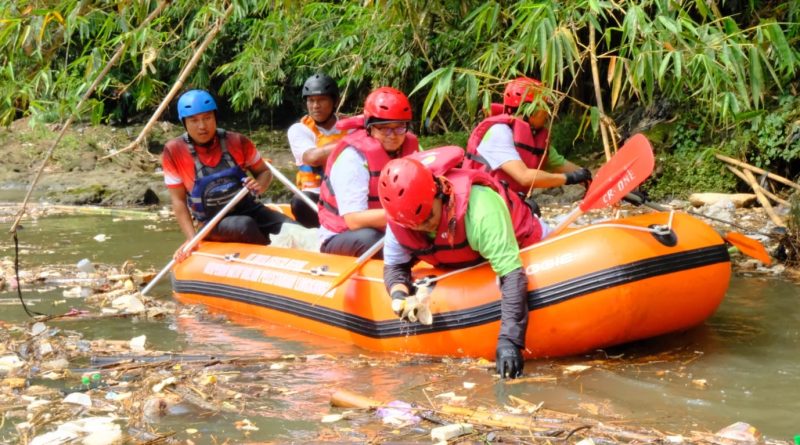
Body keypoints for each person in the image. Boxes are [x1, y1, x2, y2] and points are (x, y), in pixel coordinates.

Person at [378, 151, 548, 379]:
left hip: (522, 239)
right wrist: (398, 296)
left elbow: (512, 275)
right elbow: (395, 268)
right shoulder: (402, 219)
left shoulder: (479, 210)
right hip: (461, 259)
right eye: (413, 226)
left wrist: (510, 341)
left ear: (441, 193)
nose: (424, 227)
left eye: (428, 217)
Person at [162, 89, 294, 262]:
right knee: (244, 225)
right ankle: (275, 258)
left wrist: (260, 185)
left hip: (249, 208)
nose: (202, 126)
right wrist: (192, 238)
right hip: (212, 223)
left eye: (207, 118)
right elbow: (178, 201)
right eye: (194, 120)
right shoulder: (173, 151)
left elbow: (264, 172)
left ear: (215, 117)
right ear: (184, 123)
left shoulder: (237, 141)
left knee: (292, 229)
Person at [317, 86, 419, 257]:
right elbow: (354, 220)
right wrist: (408, 216)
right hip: (343, 234)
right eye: (384, 128)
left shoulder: (410, 147)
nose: (393, 135)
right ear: (370, 128)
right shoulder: (353, 159)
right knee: (371, 238)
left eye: (399, 127)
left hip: (394, 226)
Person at [463, 77, 592, 209]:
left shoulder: (535, 138)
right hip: (482, 207)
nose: (547, 114)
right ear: (530, 111)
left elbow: (561, 164)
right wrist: (569, 178)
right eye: (544, 107)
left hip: (506, 204)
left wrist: (589, 179)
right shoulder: (499, 132)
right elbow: (524, 177)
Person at [286, 73, 348, 228]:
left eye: (321, 100)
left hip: (346, 192)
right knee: (299, 202)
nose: (315, 106)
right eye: (311, 100)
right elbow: (312, 158)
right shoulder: (298, 129)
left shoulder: (350, 126)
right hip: (315, 194)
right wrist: (354, 141)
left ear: (335, 102)